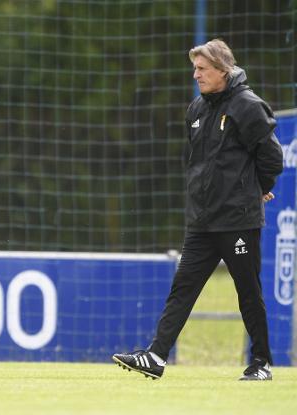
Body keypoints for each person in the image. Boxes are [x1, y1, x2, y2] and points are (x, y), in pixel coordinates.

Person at [112, 39, 283, 381]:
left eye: (203, 69)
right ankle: (157, 356)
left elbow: (272, 159)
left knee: (248, 292)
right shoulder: (196, 110)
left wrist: (258, 189)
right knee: (183, 288)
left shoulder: (248, 106)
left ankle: (260, 363)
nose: (196, 75)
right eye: (195, 68)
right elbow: (197, 164)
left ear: (223, 70)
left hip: (238, 221)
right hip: (202, 222)